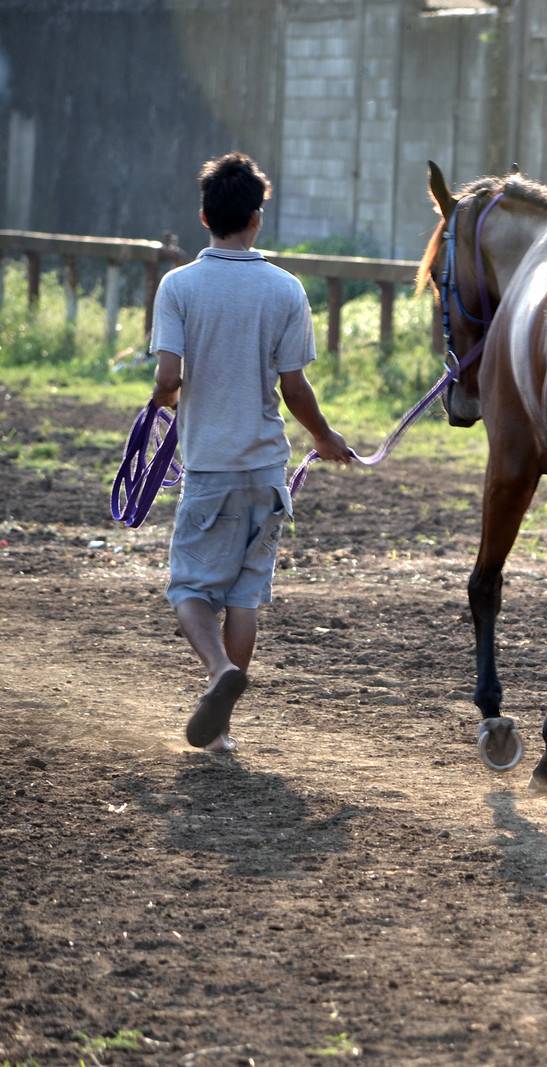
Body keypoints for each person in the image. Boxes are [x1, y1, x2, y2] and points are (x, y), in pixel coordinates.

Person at [149, 152, 352, 752]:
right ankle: (224, 727)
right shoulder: (285, 289)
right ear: (257, 218)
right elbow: (295, 388)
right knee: (243, 597)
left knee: (189, 589)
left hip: (209, 466)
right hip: (266, 470)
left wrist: (163, 400)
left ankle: (220, 676)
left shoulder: (178, 286)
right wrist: (323, 436)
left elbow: (167, 376)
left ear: (204, 215)